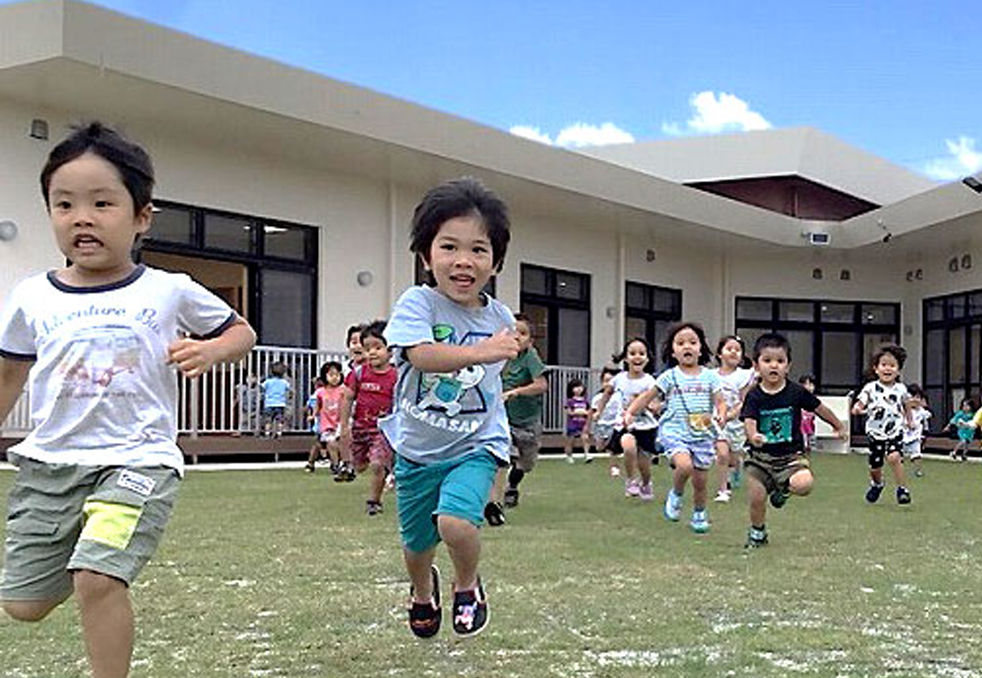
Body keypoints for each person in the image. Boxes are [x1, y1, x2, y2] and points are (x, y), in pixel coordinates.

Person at [0, 122, 256, 678]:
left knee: (98, 576)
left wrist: (210, 352)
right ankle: (76, 553)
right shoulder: (32, 296)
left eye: (101, 203)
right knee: (22, 606)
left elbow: (242, 332)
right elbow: (8, 376)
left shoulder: (167, 288)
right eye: (63, 204)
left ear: (141, 216)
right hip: (51, 464)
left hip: (136, 461)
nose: (81, 217)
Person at [379, 176, 519, 639]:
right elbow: (421, 354)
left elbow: (501, 370)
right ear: (427, 255)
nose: (464, 261)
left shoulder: (501, 319)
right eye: (449, 247)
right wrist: (483, 352)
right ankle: (423, 591)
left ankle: (467, 584)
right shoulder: (418, 303)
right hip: (418, 449)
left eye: (479, 250)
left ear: (495, 261)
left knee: (456, 523)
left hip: (475, 443)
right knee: (417, 545)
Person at [742, 333, 847, 548]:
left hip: (790, 457)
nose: (774, 366)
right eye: (767, 360)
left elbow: (820, 408)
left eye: (780, 361)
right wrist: (753, 436)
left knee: (804, 484)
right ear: (756, 365)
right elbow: (749, 420)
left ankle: (783, 491)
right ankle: (758, 532)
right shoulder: (754, 396)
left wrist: (838, 425)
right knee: (757, 497)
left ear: (788, 366)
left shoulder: (796, 392)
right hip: (760, 458)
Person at [625, 323, 725, 533]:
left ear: (701, 348)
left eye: (692, 342)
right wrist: (631, 412)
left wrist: (721, 414)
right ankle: (676, 494)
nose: (686, 346)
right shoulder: (669, 376)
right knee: (684, 466)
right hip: (675, 431)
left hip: (702, 433)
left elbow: (720, 401)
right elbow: (648, 396)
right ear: (673, 351)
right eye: (680, 343)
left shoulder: (710, 376)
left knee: (700, 482)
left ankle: (699, 514)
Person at [486, 313, 547, 526]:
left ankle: (513, 485)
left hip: (528, 420)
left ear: (530, 341)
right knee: (503, 456)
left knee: (525, 462)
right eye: (514, 332)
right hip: (503, 419)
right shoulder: (500, 357)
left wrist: (517, 392)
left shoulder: (530, 357)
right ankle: (495, 503)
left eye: (523, 333)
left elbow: (542, 385)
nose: (517, 337)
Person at [339, 320, 396, 513]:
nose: (371, 352)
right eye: (367, 348)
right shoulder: (359, 373)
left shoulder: (396, 376)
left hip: (382, 430)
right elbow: (347, 397)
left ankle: (374, 501)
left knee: (377, 464)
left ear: (390, 350)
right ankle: (371, 469)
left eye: (378, 347)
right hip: (360, 429)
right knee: (360, 466)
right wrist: (344, 425)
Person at [595, 338, 660, 501]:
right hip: (625, 423)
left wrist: (647, 405)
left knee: (644, 464)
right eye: (632, 353)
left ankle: (646, 483)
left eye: (641, 353)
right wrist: (599, 411)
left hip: (646, 425)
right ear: (625, 358)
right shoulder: (619, 379)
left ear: (647, 358)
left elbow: (656, 404)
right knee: (628, 446)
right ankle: (631, 480)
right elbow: (606, 394)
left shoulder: (650, 381)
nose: (637, 357)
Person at [851, 344, 913, 505]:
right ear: (876, 368)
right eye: (884, 365)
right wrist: (857, 408)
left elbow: (906, 404)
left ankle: (902, 489)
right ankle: (877, 484)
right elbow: (861, 401)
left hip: (895, 430)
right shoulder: (870, 388)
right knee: (875, 465)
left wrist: (910, 420)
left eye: (892, 365)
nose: (888, 369)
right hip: (875, 432)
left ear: (898, 370)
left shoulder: (901, 389)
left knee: (894, 457)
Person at [712, 335, 755, 503]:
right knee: (722, 454)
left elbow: (744, 401)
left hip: (737, 422)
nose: (734, 352)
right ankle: (723, 490)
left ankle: (737, 465)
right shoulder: (711, 375)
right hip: (717, 422)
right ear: (719, 353)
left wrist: (731, 415)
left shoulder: (744, 376)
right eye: (729, 349)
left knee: (733, 455)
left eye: (737, 350)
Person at [591, 365, 623, 478]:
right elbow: (593, 410)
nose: (607, 384)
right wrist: (594, 416)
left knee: (611, 448)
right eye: (605, 381)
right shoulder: (597, 397)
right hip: (600, 425)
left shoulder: (618, 396)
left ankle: (614, 467)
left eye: (610, 381)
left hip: (613, 424)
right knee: (599, 447)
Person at [903, 384, 930, 478]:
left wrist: (923, 406)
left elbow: (928, 415)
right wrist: (906, 424)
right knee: (899, 454)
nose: (915, 400)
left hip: (915, 436)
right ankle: (899, 469)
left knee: (916, 454)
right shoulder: (904, 410)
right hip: (904, 435)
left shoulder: (921, 411)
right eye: (912, 397)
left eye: (917, 397)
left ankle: (917, 470)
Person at [563, 377, 592, 464]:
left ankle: (587, 454)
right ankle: (569, 456)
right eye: (575, 387)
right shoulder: (570, 401)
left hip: (582, 423)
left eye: (580, 386)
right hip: (573, 424)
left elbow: (589, 411)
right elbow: (568, 412)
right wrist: (576, 412)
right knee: (571, 441)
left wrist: (586, 414)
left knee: (585, 438)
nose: (579, 389)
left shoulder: (585, 401)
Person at [261, 362, 291, 438]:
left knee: (268, 420)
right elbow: (289, 389)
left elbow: (262, 387)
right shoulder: (284, 382)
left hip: (269, 404)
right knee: (280, 420)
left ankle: (267, 433)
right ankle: (279, 433)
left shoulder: (268, 381)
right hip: (280, 404)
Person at [303, 377, 326, 472]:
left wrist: (310, 415)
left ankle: (312, 462)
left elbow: (307, 407)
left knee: (320, 443)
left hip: (319, 424)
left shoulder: (313, 396)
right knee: (320, 444)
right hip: (324, 423)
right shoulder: (322, 394)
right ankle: (312, 462)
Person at [944, 398, 975, 462]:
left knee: (967, 443)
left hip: (969, 431)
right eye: (964, 406)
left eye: (967, 406)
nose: (965, 408)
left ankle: (964, 454)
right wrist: (948, 426)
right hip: (962, 430)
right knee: (963, 440)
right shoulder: (960, 413)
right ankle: (954, 452)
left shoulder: (972, 414)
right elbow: (953, 419)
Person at [798, 374, 817, 453]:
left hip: (810, 426)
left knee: (811, 440)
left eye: (811, 384)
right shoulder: (798, 398)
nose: (809, 387)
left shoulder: (814, 400)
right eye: (806, 384)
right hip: (801, 427)